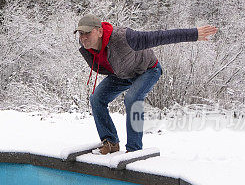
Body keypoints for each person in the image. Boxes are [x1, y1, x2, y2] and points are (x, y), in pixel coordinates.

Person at [75, 14, 217, 154]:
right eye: (81, 33)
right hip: (122, 74)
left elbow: (160, 36)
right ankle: (110, 142)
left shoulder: (124, 37)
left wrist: (193, 34)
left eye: (87, 32)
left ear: (99, 31)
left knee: (132, 98)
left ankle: (134, 149)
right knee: (96, 98)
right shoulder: (86, 47)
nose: (84, 37)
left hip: (148, 70)